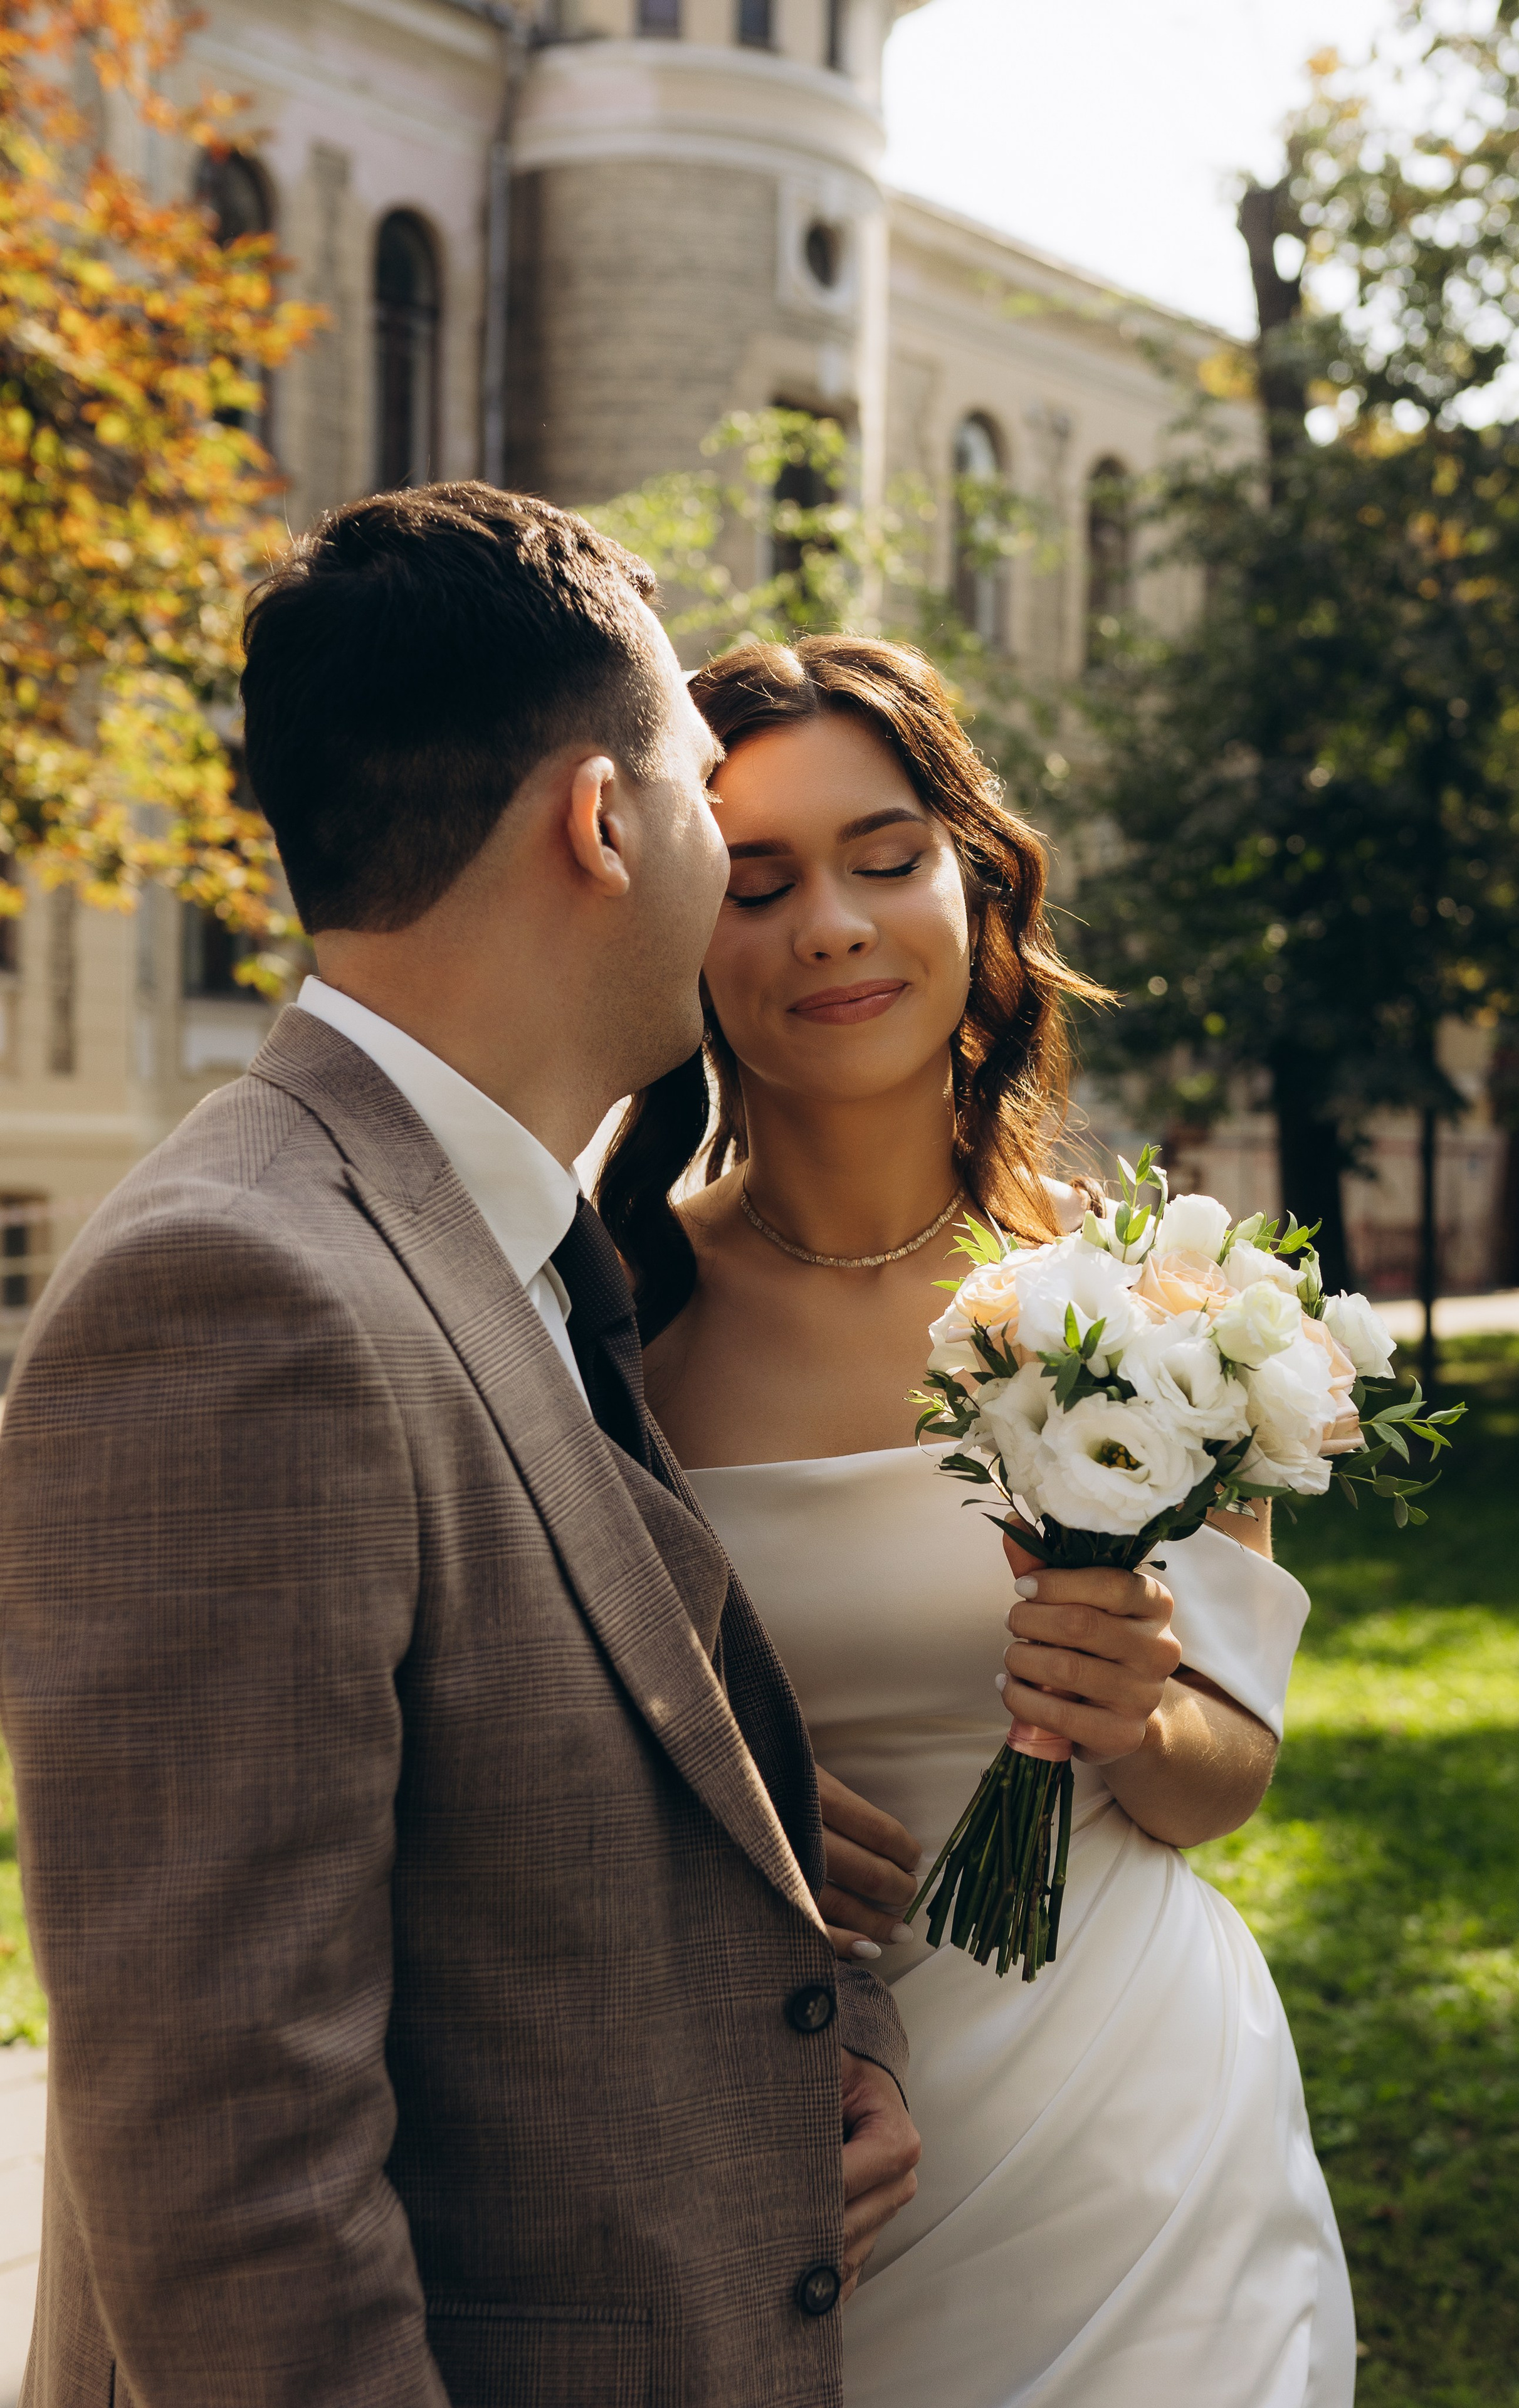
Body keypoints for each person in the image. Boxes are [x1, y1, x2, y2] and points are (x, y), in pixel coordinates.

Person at [0, 490, 920, 2408]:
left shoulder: (502, 1244)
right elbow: (232, 2174)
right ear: (600, 819)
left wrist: (795, 2041)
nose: (714, 838)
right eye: (697, 783)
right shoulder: (239, 1301)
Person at [601, 633, 1357, 2408]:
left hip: (1138, 2136)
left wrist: (1140, 1704)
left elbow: (1223, 1778)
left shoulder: (1156, 1299)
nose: (836, 929)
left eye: (884, 858)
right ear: (677, 925)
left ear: (974, 879)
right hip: (791, 2136)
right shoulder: (607, 1318)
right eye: (758, 881)